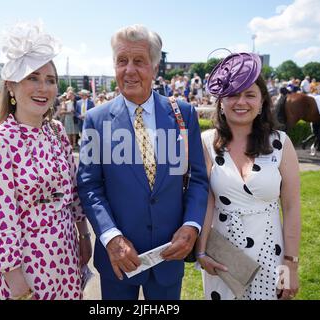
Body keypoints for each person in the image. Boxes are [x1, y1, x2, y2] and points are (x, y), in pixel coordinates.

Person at [77, 24, 209, 300]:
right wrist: (111, 236)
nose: (129, 70)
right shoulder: (96, 119)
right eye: (121, 61)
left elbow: (197, 178)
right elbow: (89, 186)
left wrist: (191, 226)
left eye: (139, 61)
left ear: (155, 67)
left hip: (169, 256)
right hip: (117, 260)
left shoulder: (183, 115)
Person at [0, 24, 92, 300]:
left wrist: (83, 237)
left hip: (67, 257)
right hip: (28, 267)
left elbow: (72, 195)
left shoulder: (57, 132)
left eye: (51, 80)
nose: (44, 88)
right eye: (33, 78)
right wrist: (13, 276)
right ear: (12, 86)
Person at [195, 52, 301, 300]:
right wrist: (201, 253)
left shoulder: (281, 144)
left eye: (249, 94)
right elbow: (206, 201)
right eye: (232, 94)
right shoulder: (206, 143)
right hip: (222, 258)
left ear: (262, 101)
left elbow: (292, 206)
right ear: (221, 101)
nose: (240, 101)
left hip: (270, 253)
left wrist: (290, 265)